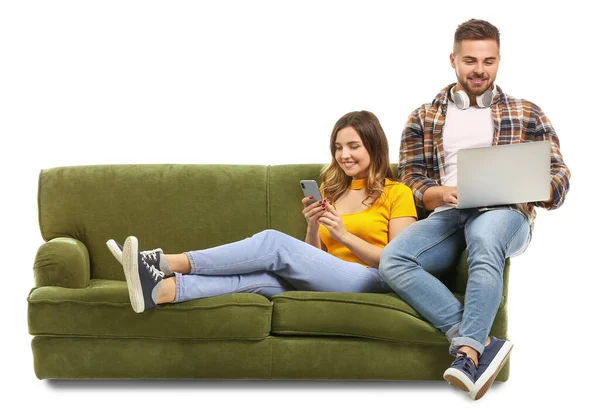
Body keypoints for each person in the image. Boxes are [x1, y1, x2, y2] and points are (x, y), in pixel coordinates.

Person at [379, 19, 570, 400]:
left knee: (484, 237)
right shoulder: (423, 116)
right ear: (453, 59)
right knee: (392, 260)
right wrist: (438, 193)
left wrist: (539, 186)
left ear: (498, 61)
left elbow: (560, 173)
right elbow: (410, 178)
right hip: (450, 212)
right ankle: (479, 337)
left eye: (488, 61)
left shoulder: (526, 112)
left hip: (505, 212)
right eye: (470, 60)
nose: (479, 70)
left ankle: (467, 354)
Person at [107, 110, 417, 315]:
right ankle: (161, 290)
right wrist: (312, 228)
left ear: (374, 147)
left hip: (370, 280)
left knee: (273, 243)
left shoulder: (397, 193)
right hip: (326, 276)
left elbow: (396, 263)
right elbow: (313, 258)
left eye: (353, 146)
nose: (343, 155)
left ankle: (160, 261)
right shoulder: (331, 191)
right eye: (338, 147)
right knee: (257, 278)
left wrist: (343, 235)